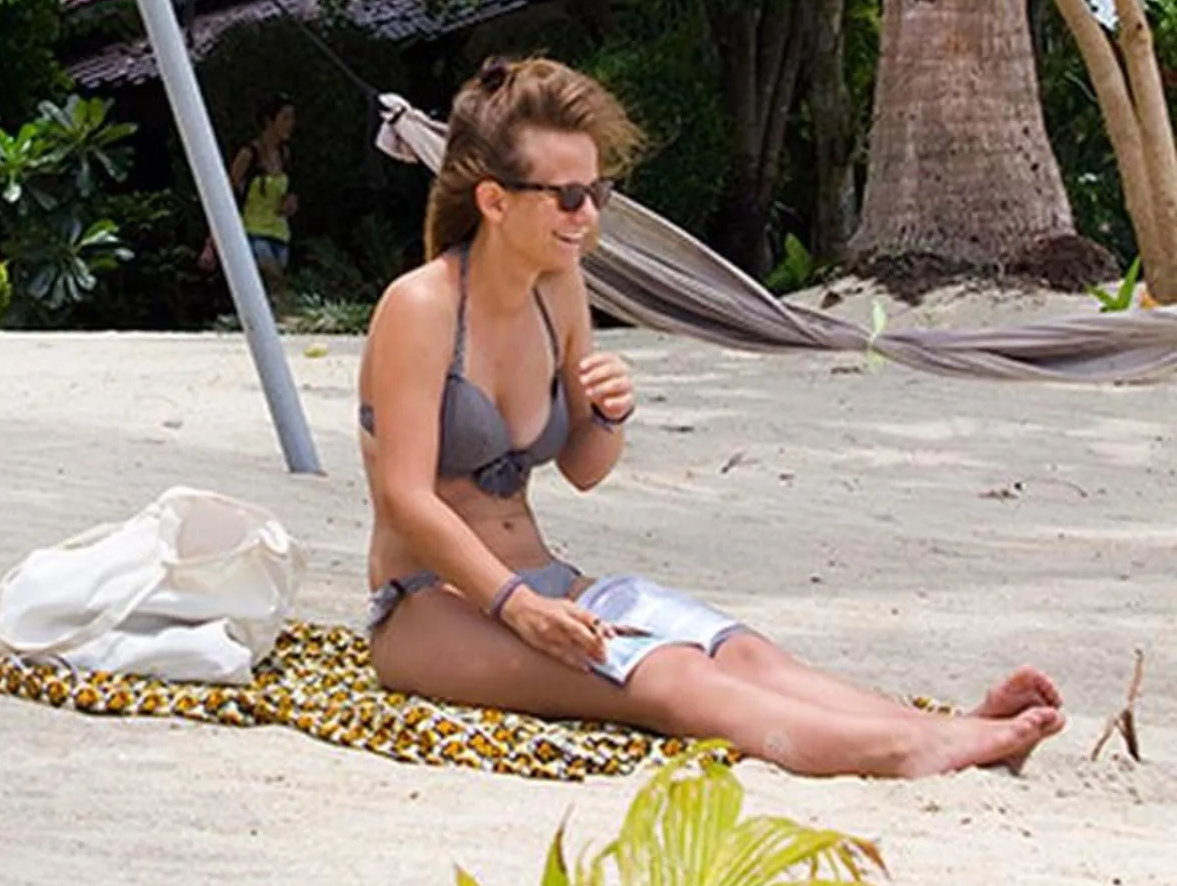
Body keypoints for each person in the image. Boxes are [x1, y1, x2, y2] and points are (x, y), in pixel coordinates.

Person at [358, 53, 1065, 777]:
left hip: (549, 584)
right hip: (431, 608)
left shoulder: (559, 287)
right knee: (671, 677)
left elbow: (584, 471)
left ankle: (942, 725)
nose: (589, 215)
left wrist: (606, 417)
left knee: (742, 651)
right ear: (494, 200)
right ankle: (903, 752)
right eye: (567, 196)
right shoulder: (423, 306)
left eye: (598, 189)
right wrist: (515, 607)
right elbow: (408, 498)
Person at [225, 95, 298, 298]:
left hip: (279, 232)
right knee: (276, 282)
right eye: (285, 118)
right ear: (269, 121)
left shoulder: (284, 154)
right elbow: (227, 192)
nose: (290, 125)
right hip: (254, 231)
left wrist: (290, 202)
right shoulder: (249, 155)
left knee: (269, 292)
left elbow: (285, 190)